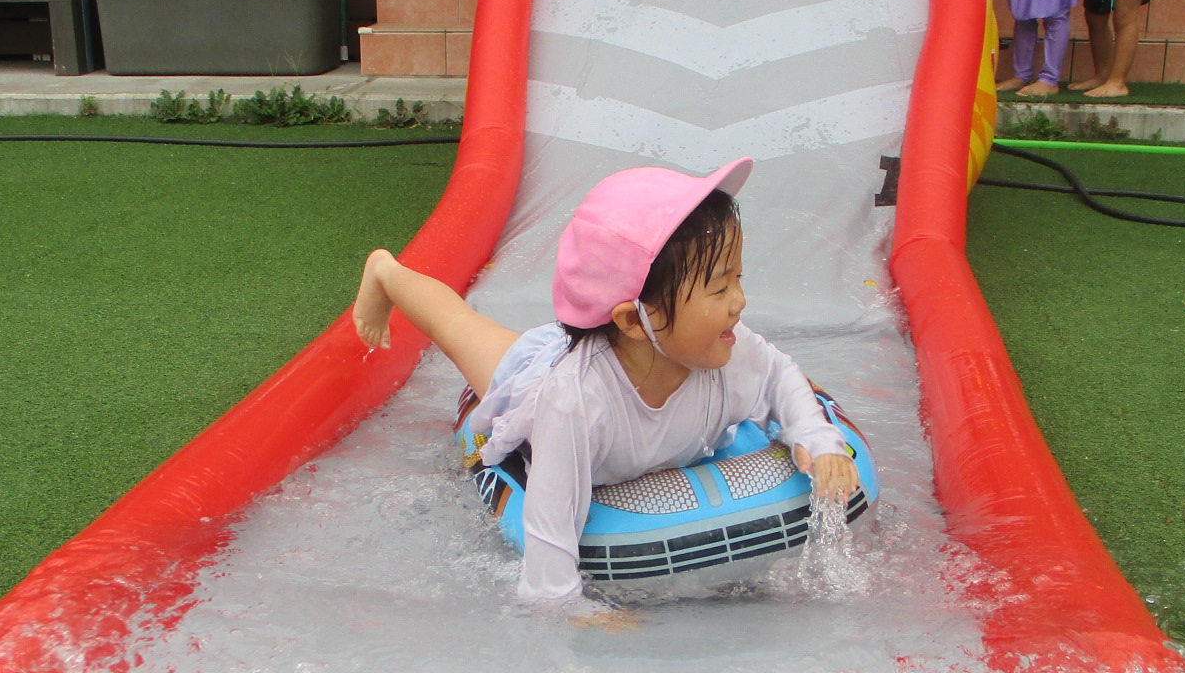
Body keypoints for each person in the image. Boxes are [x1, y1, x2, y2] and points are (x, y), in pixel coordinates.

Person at [351, 161, 858, 617]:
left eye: (738, 278)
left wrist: (817, 438)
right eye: (719, 287)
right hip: (536, 377)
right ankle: (386, 273)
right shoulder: (574, 403)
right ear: (636, 320)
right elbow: (549, 538)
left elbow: (781, 378)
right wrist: (574, 608)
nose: (740, 301)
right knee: (459, 327)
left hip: (614, 351)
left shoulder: (729, 352)